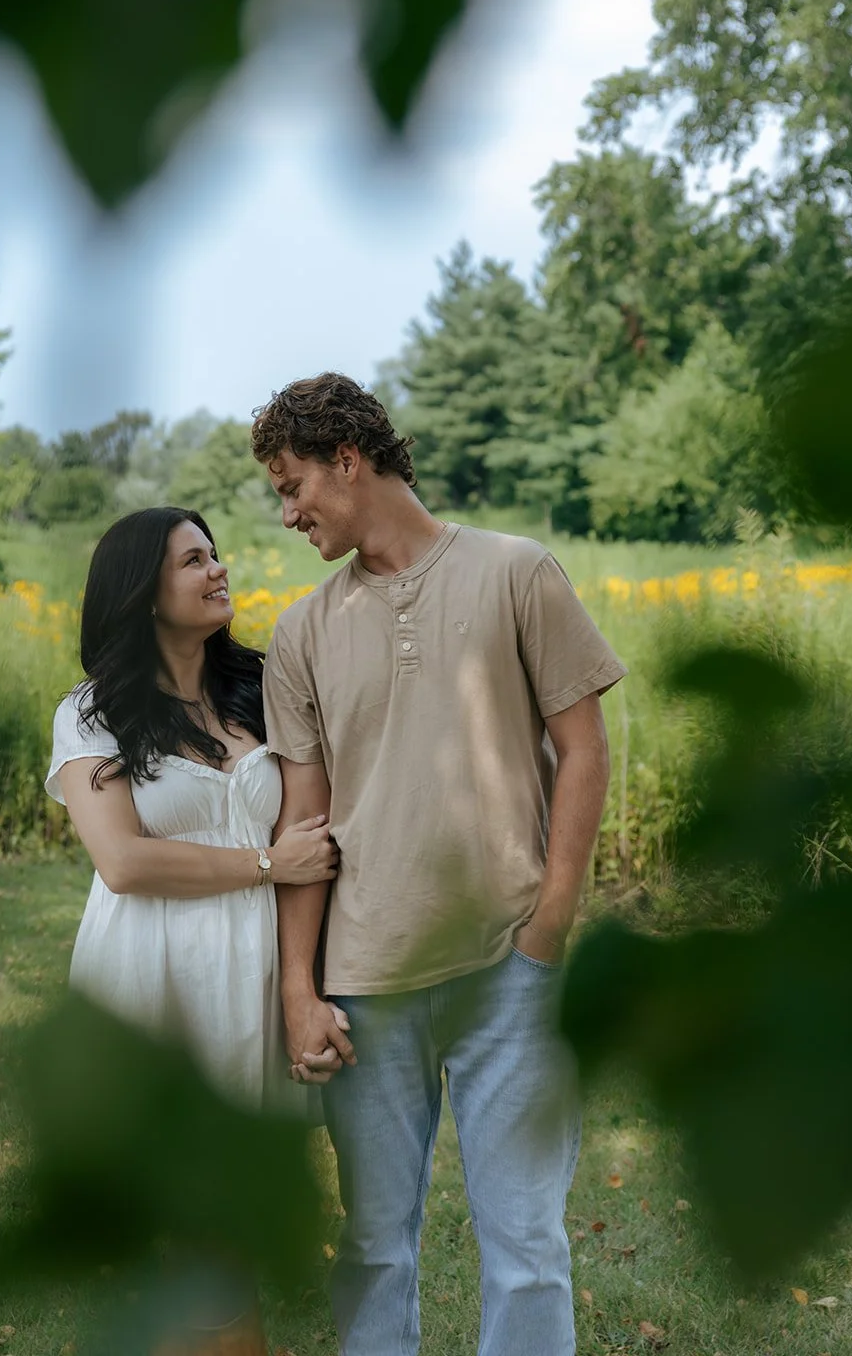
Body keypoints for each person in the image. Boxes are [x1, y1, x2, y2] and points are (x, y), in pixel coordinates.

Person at [251, 373, 626, 1356]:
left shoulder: (515, 570)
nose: (288, 513)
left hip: (510, 966)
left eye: (294, 487)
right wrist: (299, 987)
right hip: (365, 980)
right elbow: (304, 820)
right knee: (373, 1248)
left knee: (526, 1246)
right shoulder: (300, 632)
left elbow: (582, 749)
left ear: (348, 457)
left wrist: (547, 924)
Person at [45, 505, 340, 1356]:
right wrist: (265, 866)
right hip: (154, 968)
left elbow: (311, 815)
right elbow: (125, 863)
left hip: (255, 967)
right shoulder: (93, 713)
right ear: (141, 591)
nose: (218, 570)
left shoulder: (260, 684)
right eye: (192, 561)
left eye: (214, 555)